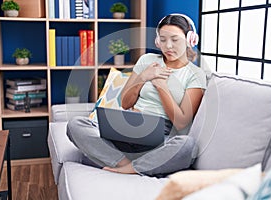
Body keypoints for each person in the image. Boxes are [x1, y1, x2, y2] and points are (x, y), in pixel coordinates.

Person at [67, 14, 207, 177]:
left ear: (190, 40)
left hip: (162, 136)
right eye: (163, 39)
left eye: (175, 40)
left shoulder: (196, 74)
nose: (168, 46)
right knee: (75, 124)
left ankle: (122, 164)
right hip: (129, 125)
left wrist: (161, 87)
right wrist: (143, 77)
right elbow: (125, 103)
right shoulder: (146, 60)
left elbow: (182, 123)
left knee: (187, 146)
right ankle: (129, 165)